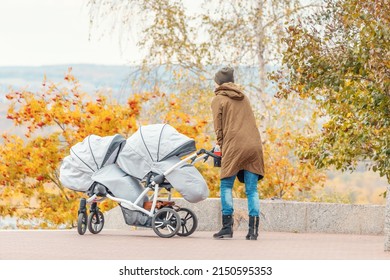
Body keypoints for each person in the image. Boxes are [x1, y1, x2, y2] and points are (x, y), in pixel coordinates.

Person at [211, 66, 264, 240]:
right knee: (252, 190)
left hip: (234, 145)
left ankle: (227, 228)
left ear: (218, 82)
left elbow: (218, 128)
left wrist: (221, 145)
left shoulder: (218, 99)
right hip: (254, 145)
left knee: (226, 185)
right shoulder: (244, 97)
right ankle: (253, 231)